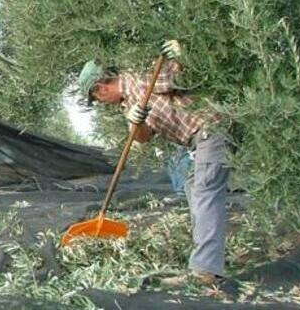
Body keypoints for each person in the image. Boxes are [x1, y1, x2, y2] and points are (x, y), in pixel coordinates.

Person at [78, 40, 230, 287]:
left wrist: (182, 52)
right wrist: (135, 122)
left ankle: (205, 271)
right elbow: (143, 138)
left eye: (95, 99)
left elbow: (181, 73)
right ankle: (209, 258)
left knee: (204, 190)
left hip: (211, 128)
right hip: (198, 140)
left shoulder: (140, 79)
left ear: (100, 88)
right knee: (194, 186)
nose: (99, 104)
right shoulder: (129, 102)